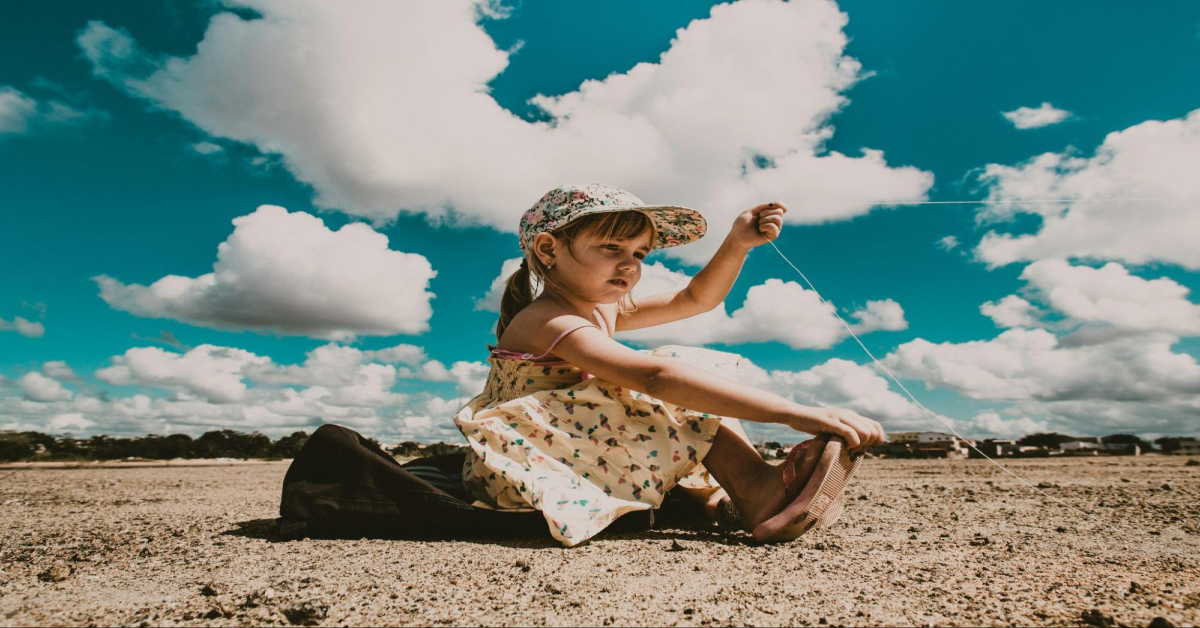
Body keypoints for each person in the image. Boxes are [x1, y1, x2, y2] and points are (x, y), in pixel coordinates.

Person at [454, 183, 885, 547]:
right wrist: (798, 413)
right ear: (549, 249)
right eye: (611, 247)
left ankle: (723, 501)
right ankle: (756, 486)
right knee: (662, 374)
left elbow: (694, 299)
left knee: (655, 390)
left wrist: (737, 243)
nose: (630, 264)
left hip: (568, 447)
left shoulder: (602, 309)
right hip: (525, 469)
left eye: (640, 254)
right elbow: (653, 376)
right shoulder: (547, 319)